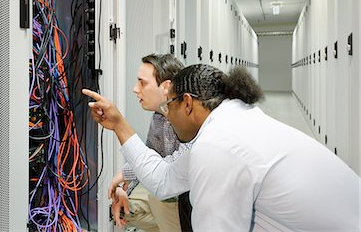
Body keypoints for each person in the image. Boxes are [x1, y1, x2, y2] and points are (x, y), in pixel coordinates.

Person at [83, 64, 359, 231]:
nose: (167, 114)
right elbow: (163, 180)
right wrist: (119, 124)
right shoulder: (231, 125)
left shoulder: (219, 144)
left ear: (187, 103)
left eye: (170, 106)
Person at [109, 53, 192, 231]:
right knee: (128, 209)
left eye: (142, 82)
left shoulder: (189, 119)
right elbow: (150, 154)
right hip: (172, 194)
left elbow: (170, 169)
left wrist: (127, 173)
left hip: (190, 201)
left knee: (159, 195)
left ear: (166, 87)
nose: (135, 89)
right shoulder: (159, 118)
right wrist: (125, 186)